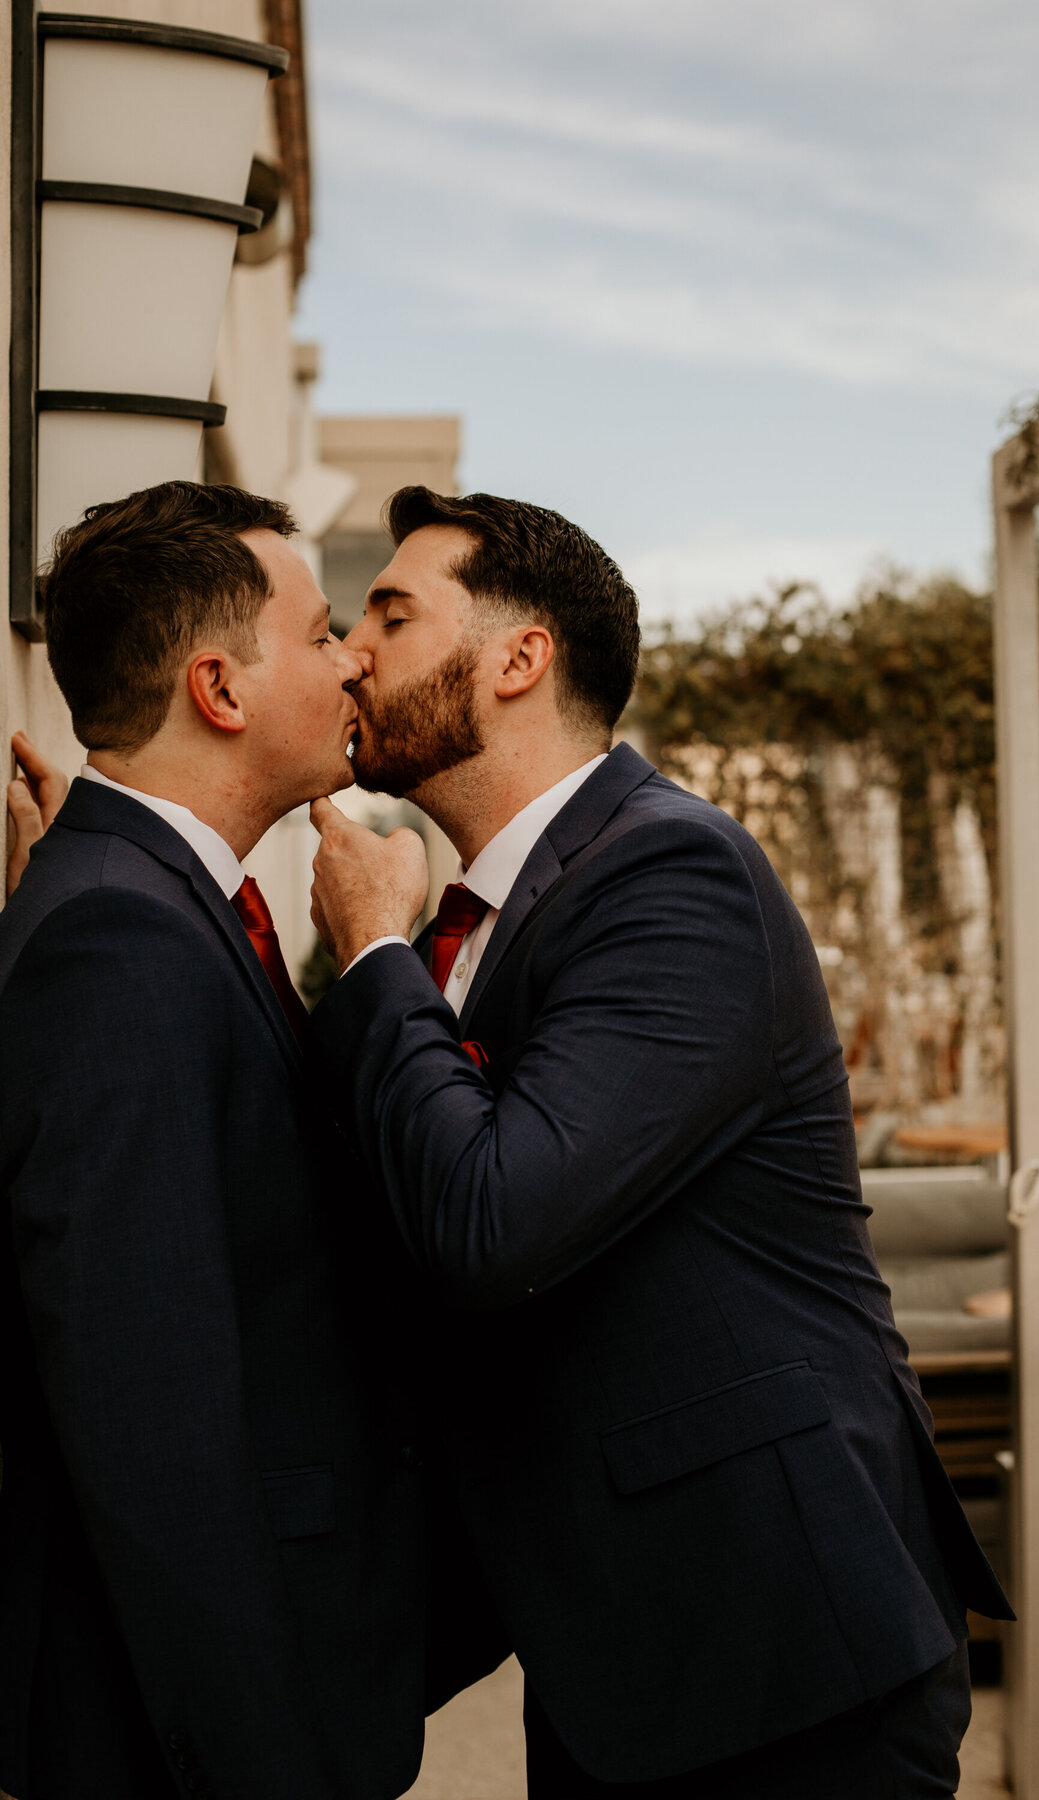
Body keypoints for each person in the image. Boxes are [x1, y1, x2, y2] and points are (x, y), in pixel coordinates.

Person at [307, 486, 1013, 1799]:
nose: (352, 651)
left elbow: (490, 1222)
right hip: (623, 1651)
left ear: (520, 659)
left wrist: (375, 953)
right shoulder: (493, 914)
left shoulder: (670, 875)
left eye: (390, 616)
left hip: (785, 1663)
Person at [0, 483, 431, 1800]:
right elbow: (154, 1417)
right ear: (220, 690)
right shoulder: (118, 942)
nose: (353, 654)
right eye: (317, 636)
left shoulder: (146, 901)